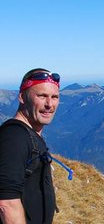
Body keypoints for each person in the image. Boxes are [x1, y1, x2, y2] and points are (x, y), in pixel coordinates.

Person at [0, 68, 60, 224]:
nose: (49, 104)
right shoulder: (14, 137)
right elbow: (6, 203)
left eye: (54, 97)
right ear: (22, 97)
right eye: (42, 96)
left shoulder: (29, 135)